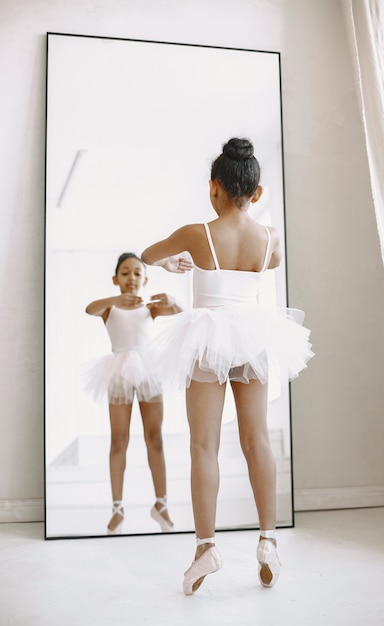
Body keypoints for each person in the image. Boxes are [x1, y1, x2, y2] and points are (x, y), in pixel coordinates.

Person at [141, 138, 313, 594]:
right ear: (256, 193)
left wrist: (179, 261)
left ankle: (206, 548)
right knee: (257, 440)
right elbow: (265, 265)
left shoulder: (197, 234)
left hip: (207, 339)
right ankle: (268, 541)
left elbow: (147, 255)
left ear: (213, 188)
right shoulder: (270, 241)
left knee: (204, 446)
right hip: (254, 336)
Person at [84, 252, 184, 534]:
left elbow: (181, 313)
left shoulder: (149, 308)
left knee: (156, 437)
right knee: (119, 439)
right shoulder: (109, 308)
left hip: (148, 370)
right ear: (115, 279)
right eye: (125, 273)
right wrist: (114, 301)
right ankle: (117, 507)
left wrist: (173, 300)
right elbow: (89, 309)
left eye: (138, 273)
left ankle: (161, 504)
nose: (132, 278)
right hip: (118, 370)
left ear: (146, 279)